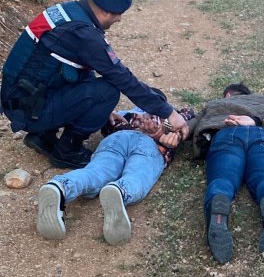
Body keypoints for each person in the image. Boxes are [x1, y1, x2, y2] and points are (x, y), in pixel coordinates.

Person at [1, 0, 186, 169]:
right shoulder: (84, 34)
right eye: (118, 14)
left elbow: (79, 64)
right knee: (108, 91)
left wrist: (104, 111)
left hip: (22, 100)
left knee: (88, 86)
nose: (119, 19)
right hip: (28, 110)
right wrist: (169, 113)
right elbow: (123, 78)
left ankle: (43, 135)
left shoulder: (70, 11)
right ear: (105, 11)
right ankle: (67, 152)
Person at [36, 102, 194, 245]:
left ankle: (62, 186)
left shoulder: (123, 115)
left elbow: (104, 124)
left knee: (95, 172)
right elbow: (189, 115)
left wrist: (109, 113)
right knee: (138, 175)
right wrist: (167, 130)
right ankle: (121, 190)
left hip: (116, 139)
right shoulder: (169, 116)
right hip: (149, 145)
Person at [186, 83, 264, 263]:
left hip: (226, 134)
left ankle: (218, 204)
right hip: (263, 135)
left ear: (228, 95)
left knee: (223, 179)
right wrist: (257, 120)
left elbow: (189, 126)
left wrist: (173, 133)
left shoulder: (213, 105)